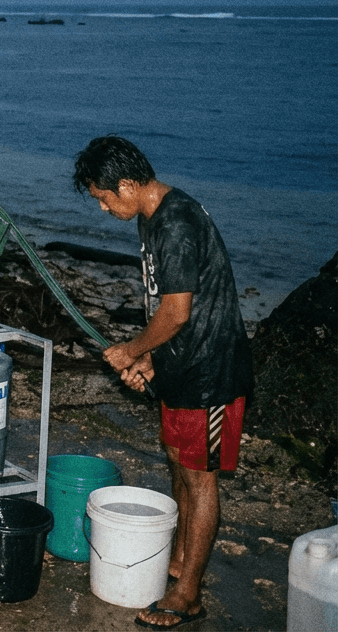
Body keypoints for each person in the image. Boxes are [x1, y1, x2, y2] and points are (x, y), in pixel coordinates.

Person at [74, 135, 253, 630]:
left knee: (200, 478)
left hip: (210, 372)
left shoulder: (174, 223)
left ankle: (189, 594)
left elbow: (176, 312)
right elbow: (169, 309)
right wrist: (151, 361)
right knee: (177, 463)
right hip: (180, 365)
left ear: (129, 184)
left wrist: (131, 349)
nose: (105, 206)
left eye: (106, 197)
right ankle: (177, 563)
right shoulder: (152, 217)